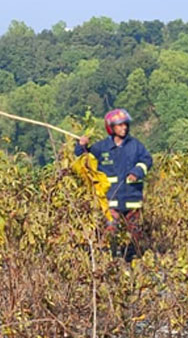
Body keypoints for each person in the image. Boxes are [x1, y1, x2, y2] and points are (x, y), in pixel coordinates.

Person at [75, 108, 153, 261]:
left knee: (136, 234)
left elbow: (147, 160)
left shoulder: (136, 145)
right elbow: (84, 158)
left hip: (132, 199)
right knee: (110, 232)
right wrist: (81, 145)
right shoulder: (101, 147)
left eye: (125, 125)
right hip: (111, 200)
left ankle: (135, 261)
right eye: (120, 125)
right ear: (111, 127)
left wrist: (137, 171)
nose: (124, 128)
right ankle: (110, 261)